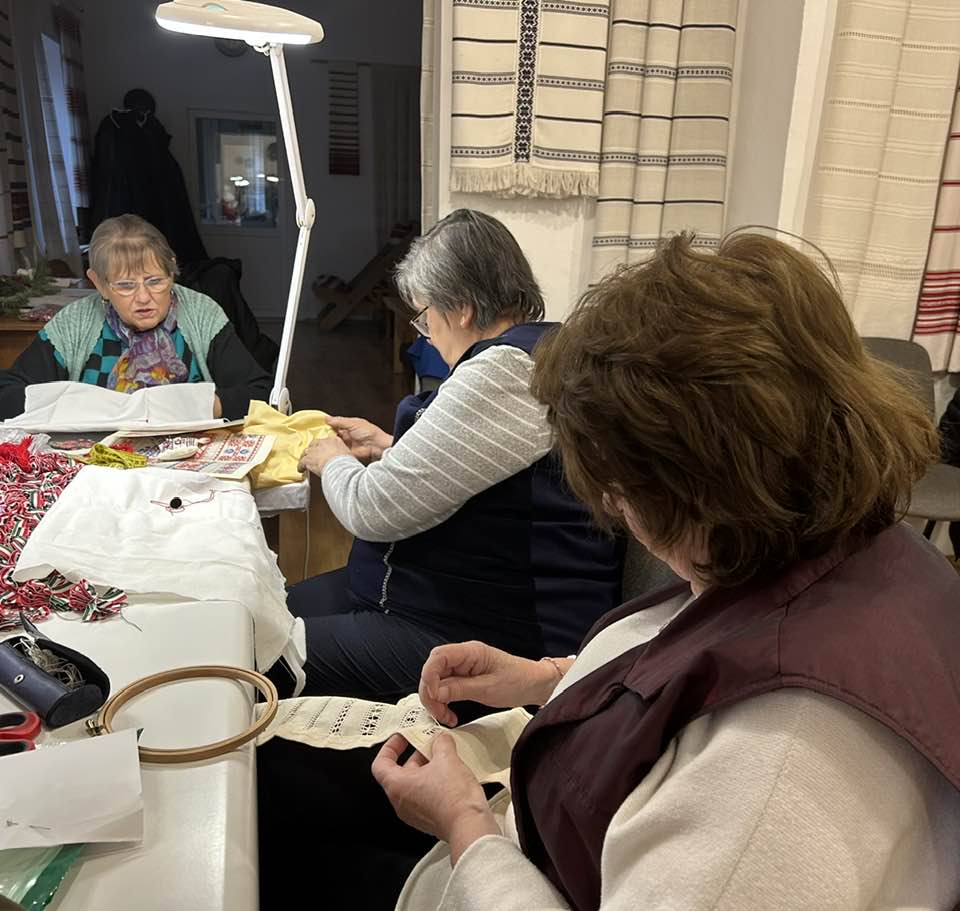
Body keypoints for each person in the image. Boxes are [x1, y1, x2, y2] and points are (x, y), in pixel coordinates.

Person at [369, 232, 960, 911]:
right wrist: (549, 678)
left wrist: (465, 825)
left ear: (679, 489)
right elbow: (704, 671)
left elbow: (731, 735)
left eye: (615, 489)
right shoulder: (834, 543)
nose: (614, 508)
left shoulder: (774, 784)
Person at [280, 209, 623, 701]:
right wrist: (389, 446)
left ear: (460, 308)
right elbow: (499, 469)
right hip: (437, 598)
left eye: (425, 317)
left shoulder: (504, 372)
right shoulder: (536, 352)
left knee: (264, 651)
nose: (426, 333)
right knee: (271, 611)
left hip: (496, 638)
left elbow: (370, 510)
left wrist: (332, 458)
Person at [0, 214, 271, 420]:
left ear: (172, 270)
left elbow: (260, 392)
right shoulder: (74, 323)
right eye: (126, 285)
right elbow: (7, 394)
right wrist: (79, 407)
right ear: (100, 283)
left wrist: (201, 406)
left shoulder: (201, 314)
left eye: (155, 281)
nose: (143, 297)